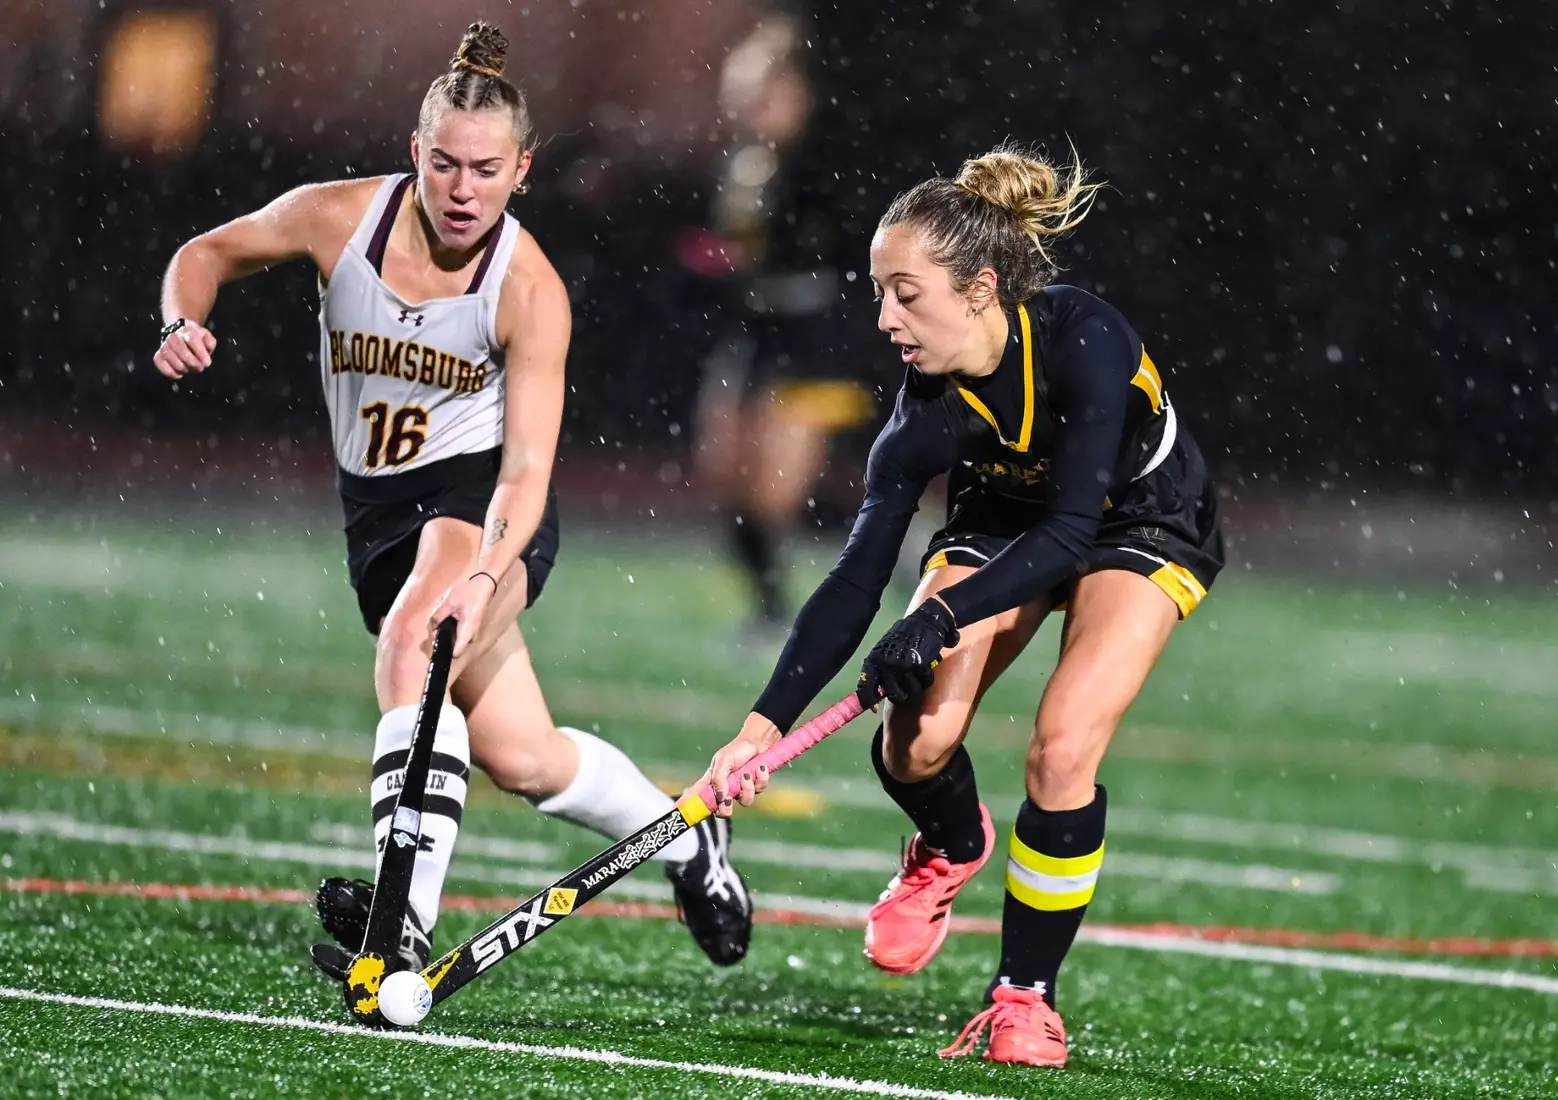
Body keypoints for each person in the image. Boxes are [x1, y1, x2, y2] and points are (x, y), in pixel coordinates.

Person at [153, 21, 751, 977]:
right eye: (444, 166)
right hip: (377, 512)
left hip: (486, 503)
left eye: (485, 170)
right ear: (415, 156)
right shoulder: (335, 218)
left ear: (522, 170)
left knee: (412, 638)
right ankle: (688, 844)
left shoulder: (527, 289)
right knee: (522, 758)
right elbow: (207, 250)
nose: (462, 190)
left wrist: (481, 572)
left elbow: (525, 470)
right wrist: (182, 317)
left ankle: (399, 925)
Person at [699, 145, 1224, 1068]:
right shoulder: (920, 414)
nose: (884, 317)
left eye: (907, 293)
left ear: (980, 287)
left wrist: (936, 618)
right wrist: (757, 727)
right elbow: (855, 582)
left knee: (1062, 748)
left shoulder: (1086, 341)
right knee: (916, 740)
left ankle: (1024, 996)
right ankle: (949, 843)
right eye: (877, 292)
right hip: (1002, 517)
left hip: (1136, 521)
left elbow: (1071, 536)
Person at [679, 13, 886, 631]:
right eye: (738, 94)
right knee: (721, 470)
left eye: (760, 93)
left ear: (797, 92)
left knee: (775, 488)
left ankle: (892, 554)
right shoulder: (743, 163)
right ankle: (770, 607)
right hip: (753, 331)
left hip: (814, 331)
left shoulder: (830, 158)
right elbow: (725, 250)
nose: (744, 107)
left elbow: (849, 246)